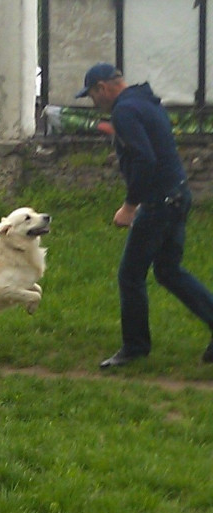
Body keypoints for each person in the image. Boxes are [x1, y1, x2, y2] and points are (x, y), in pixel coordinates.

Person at [75, 62, 213, 368]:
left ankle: (135, 347)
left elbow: (144, 159)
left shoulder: (125, 111)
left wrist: (130, 205)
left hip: (159, 202)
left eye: (92, 95)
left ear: (103, 88)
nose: (93, 101)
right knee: (168, 271)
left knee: (130, 275)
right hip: (178, 193)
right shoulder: (144, 101)